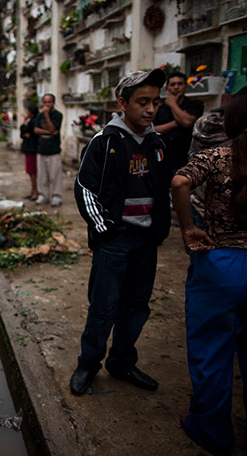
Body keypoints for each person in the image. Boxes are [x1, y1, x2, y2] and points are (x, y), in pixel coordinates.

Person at [171, 90, 247, 455]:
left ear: (228, 122)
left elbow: (179, 181)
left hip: (221, 266)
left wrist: (188, 228)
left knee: (212, 349)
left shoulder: (217, 157)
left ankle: (211, 430)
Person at [71, 68, 171, 396]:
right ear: (123, 103)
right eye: (142, 101)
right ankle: (89, 363)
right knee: (104, 305)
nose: (150, 109)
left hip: (146, 241)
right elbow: (85, 187)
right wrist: (106, 230)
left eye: (155, 102)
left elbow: (165, 188)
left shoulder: (157, 143)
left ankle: (122, 361)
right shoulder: (107, 142)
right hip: (115, 240)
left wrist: (161, 226)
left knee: (137, 304)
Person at [153, 71, 204, 172]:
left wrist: (172, 104)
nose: (176, 87)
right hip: (163, 161)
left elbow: (187, 122)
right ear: (167, 88)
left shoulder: (195, 104)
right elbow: (153, 129)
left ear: (186, 87)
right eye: (173, 84)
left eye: (180, 84)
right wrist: (176, 122)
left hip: (187, 160)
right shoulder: (160, 109)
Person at [33, 93, 64, 206]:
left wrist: (46, 115)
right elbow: (36, 130)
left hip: (54, 150)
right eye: (45, 102)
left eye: (49, 102)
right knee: (42, 176)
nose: (47, 104)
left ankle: (57, 196)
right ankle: (43, 195)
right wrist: (49, 132)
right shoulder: (39, 115)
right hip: (41, 149)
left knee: (55, 175)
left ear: (53, 103)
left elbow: (54, 128)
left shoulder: (58, 115)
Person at [20, 101, 40, 200]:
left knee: (33, 172)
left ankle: (35, 191)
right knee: (30, 172)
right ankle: (33, 191)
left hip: (32, 149)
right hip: (28, 148)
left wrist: (24, 120)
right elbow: (22, 133)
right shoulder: (31, 120)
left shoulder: (33, 121)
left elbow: (24, 130)